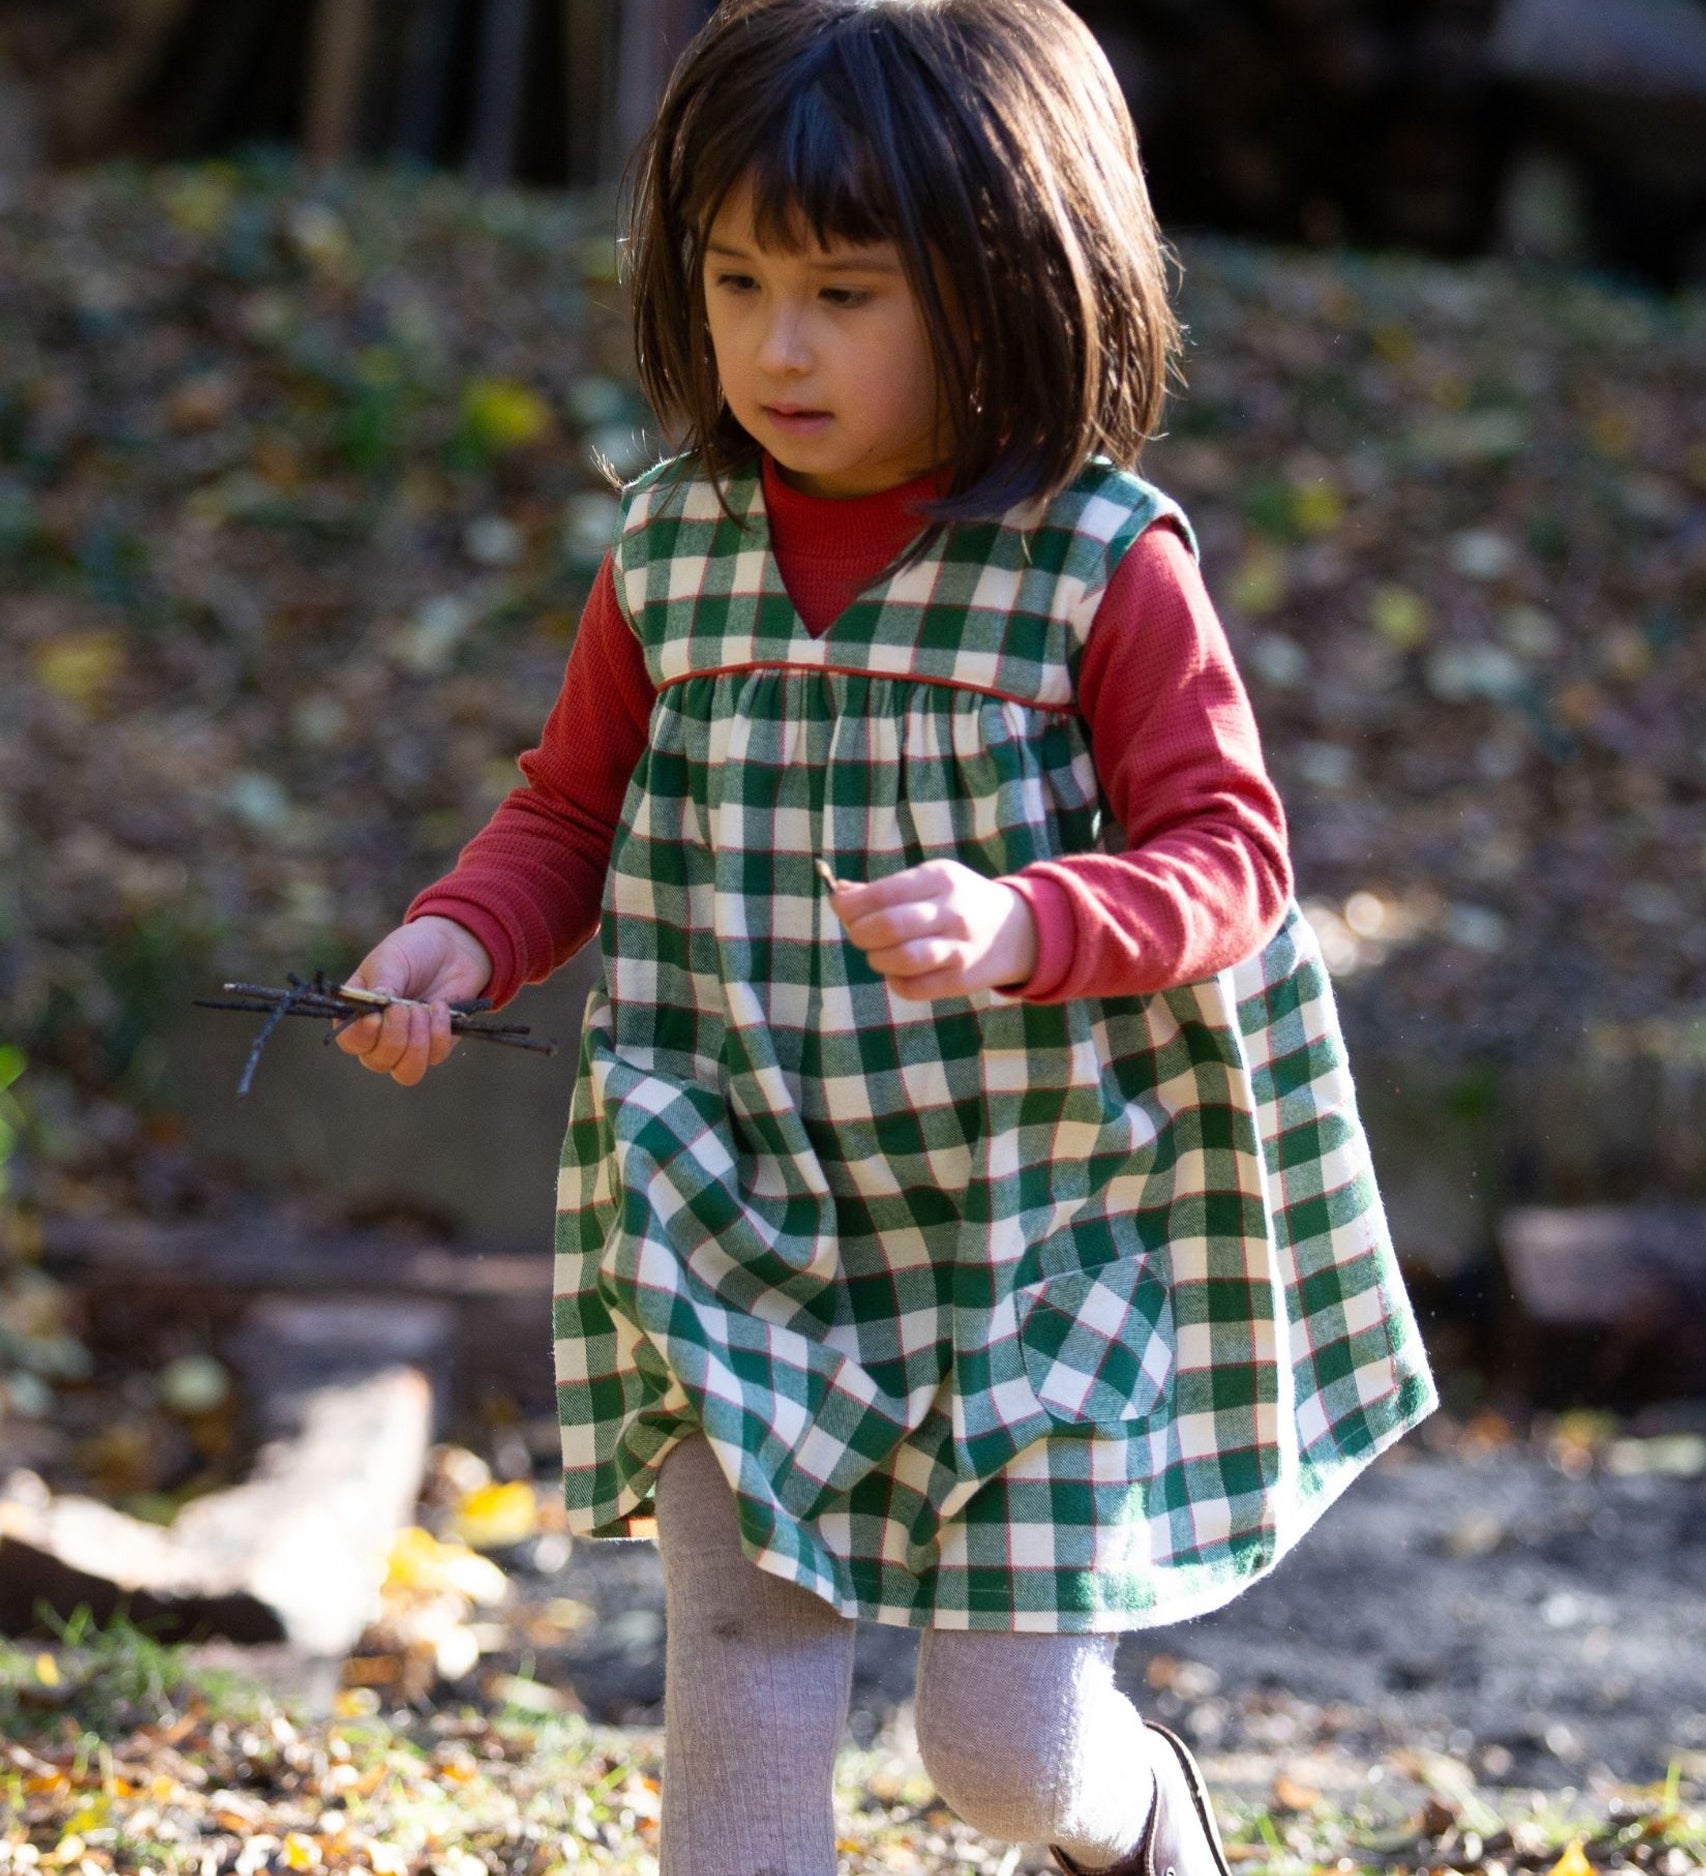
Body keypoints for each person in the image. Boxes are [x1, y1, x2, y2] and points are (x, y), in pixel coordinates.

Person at [336, 1, 1438, 1869]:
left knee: (1000, 1753)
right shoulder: (672, 548)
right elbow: (569, 813)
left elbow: (1229, 858)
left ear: (1003, 281)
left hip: (1037, 1220)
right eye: (735, 276)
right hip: (735, 1196)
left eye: (844, 292)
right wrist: (459, 937)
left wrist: (1025, 921)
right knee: (746, 1659)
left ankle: (1141, 1812)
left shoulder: (1100, 560)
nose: (773, 344)